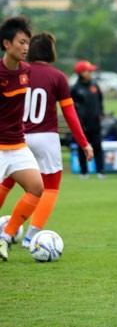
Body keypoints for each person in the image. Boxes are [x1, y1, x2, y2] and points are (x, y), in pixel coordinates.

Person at [0, 32, 93, 247]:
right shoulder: (57, 76)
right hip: (46, 137)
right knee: (49, 187)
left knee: (7, 182)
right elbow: (69, 114)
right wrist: (84, 143)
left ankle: (7, 235)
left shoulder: (21, 70)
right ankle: (30, 236)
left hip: (18, 136)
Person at [0, 16, 44, 261]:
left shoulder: (26, 71)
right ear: (6, 43)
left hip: (17, 145)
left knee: (36, 188)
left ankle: (5, 237)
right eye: (21, 42)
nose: (26, 47)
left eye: (28, 42)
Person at [70, 60, 105, 179]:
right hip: (82, 124)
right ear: (81, 72)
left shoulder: (94, 85)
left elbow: (100, 100)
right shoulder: (75, 88)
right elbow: (71, 107)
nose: (90, 73)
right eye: (88, 70)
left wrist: (100, 112)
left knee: (98, 146)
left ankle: (101, 171)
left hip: (95, 122)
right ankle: (84, 172)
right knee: (82, 148)